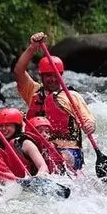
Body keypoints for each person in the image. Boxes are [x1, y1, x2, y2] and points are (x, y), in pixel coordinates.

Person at [13, 32, 96, 170]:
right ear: (41, 76)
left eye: (55, 75)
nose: (52, 79)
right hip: (38, 148)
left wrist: (89, 126)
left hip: (68, 149)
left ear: (61, 75)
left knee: (61, 158)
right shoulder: (33, 91)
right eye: (48, 76)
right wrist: (33, 47)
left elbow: (89, 120)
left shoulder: (72, 96)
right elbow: (18, 71)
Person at [0, 104, 49, 178]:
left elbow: (43, 167)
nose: (3, 129)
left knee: (12, 143)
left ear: (16, 126)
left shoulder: (26, 143)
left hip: (30, 181)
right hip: (11, 183)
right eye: (0, 126)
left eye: (7, 125)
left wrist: (37, 180)